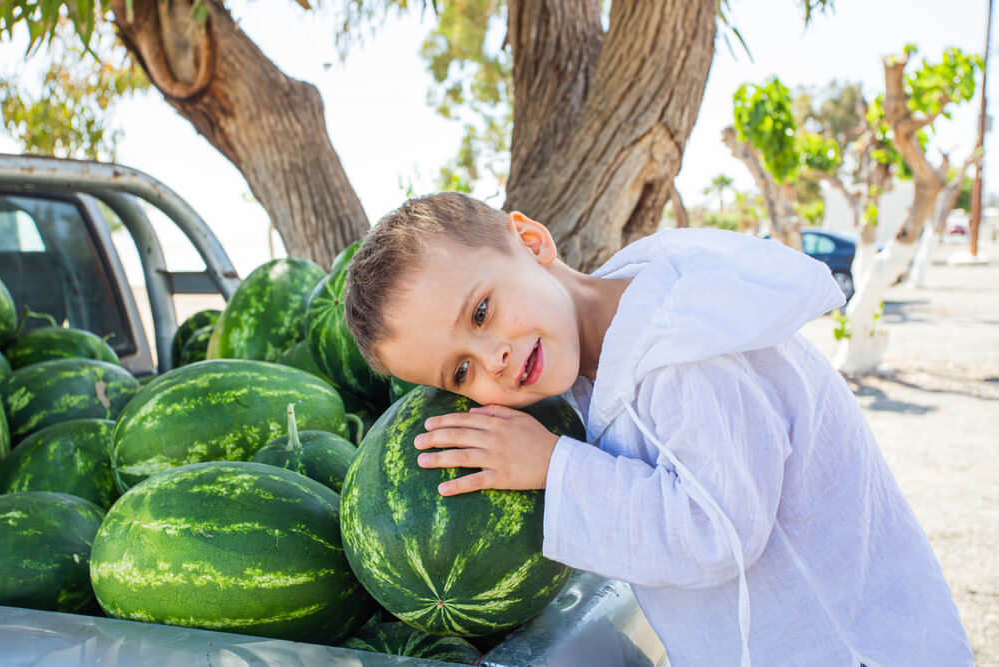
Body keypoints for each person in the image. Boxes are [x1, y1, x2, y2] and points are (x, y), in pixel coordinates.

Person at [343, 192, 972, 667]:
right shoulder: (592, 365)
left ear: (532, 243)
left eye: (481, 312)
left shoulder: (684, 345)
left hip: (848, 647)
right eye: (460, 371)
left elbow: (718, 532)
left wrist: (554, 467)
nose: (493, 361)